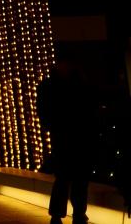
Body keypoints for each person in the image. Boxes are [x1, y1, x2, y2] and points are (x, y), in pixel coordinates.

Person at [37, 58, 97, 224]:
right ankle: (66, 214)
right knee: (69, 177)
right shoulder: (75, 84)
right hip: (69, 136)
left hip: (74, 136)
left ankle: (72, 213)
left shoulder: (52, 85)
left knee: (73, 177)